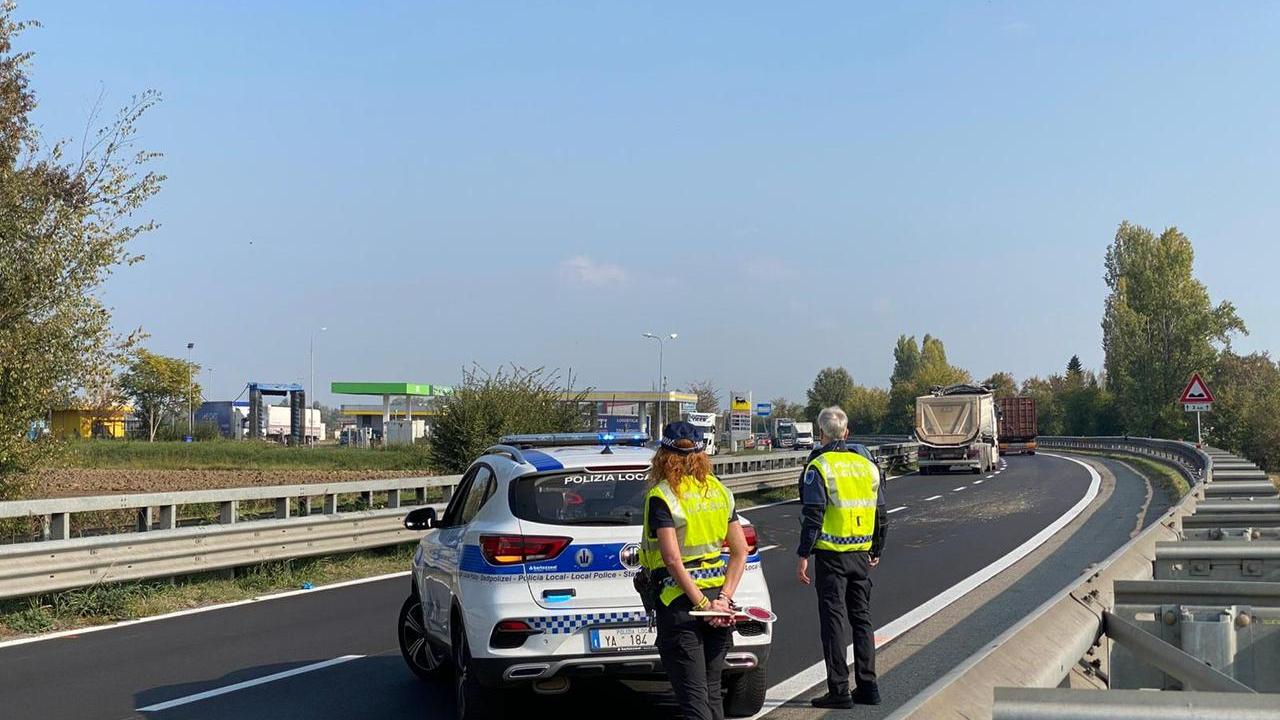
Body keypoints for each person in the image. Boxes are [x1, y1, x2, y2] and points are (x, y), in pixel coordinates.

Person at [640, 421, 750, 720]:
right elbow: (740, 551)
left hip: (680, 603)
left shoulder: (663, 496)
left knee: (693, 698)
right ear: (702, 453)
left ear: (663, 455)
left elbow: (672, 560)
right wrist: (723, 601)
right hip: (718, 601)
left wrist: (700, 604)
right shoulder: (719, 491)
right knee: (712, 691)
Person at [796, 406, 887, 708]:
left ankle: (839, 691)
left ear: (821, 434)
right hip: (861, 555)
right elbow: (881, 513)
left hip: (831, 557)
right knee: (862, 620)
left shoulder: (818, 467)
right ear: (847, 434)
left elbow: (814, 514)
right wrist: (876, 547)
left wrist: (803, 553)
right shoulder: (867, 466)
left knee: (833, 622)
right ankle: (869, 687)